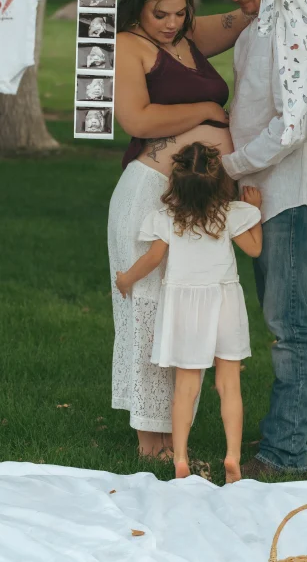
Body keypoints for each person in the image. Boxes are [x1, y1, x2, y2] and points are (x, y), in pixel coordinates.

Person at [107, 0, 254, 461]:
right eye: (160, 14)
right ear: (137, 9)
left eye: (180, 13)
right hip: (149, 193)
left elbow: (242, 16)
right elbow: (137, 117)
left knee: (181, 312)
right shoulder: (128, 45)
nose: (172, 23)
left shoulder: (187, 37)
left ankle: (175, 438)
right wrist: (209, 112)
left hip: (193, 198)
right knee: (150, 309)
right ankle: (153, 441)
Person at [218, 0, 307, 477]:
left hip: (291, 194)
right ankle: (303, 433)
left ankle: (285, 451)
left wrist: (231, 166)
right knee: (290, 318)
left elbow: (294, 125)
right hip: (263, 194)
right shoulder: (253, 30)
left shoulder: (295, 25)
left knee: (289, 323)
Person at [115, 143, 263, 483]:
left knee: (186, 386)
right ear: (220, 183)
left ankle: (180, 457)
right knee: (229, 385)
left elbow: (152, 260)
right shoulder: (230, 214)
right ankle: (233, 458)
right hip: (224, 301)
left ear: (175, 185)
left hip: (184, 307)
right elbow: (254, 249)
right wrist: (256, 212)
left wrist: (126, 279)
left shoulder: (167, 219)